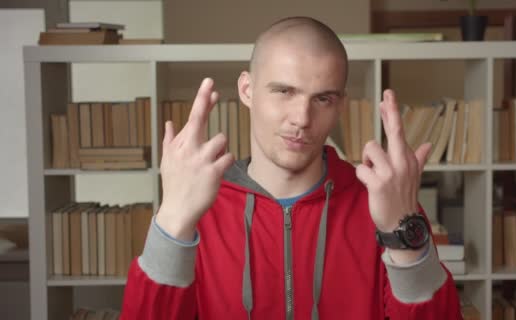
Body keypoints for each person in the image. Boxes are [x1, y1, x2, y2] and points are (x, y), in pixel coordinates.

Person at [121, 16, 461, 319]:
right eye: (284, 91)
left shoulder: (389, 209)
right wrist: (171, 225)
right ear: (247, 90)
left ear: (340, 104)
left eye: (323, 98)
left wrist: (405, 238)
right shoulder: (196, 208)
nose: (302, 119)